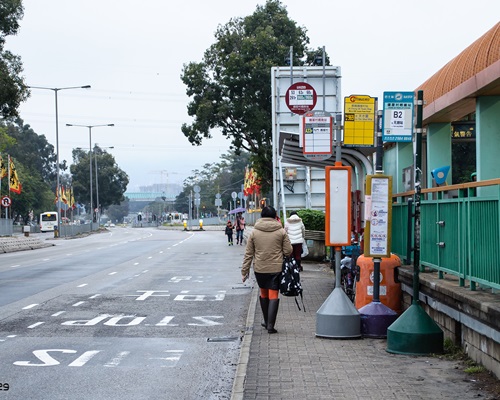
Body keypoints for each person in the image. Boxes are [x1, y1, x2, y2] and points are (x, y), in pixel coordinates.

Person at [241, 206, 292, 334]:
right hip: (276, 268)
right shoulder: (281, 232)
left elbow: (248, 254)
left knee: (263, 293)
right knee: (273, 294)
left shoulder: (254, 232)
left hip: (260, 268)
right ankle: (270, 325)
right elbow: (288, 251)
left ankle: (265, 320)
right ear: (275, 216)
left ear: (261, 217)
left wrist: (244, 272)